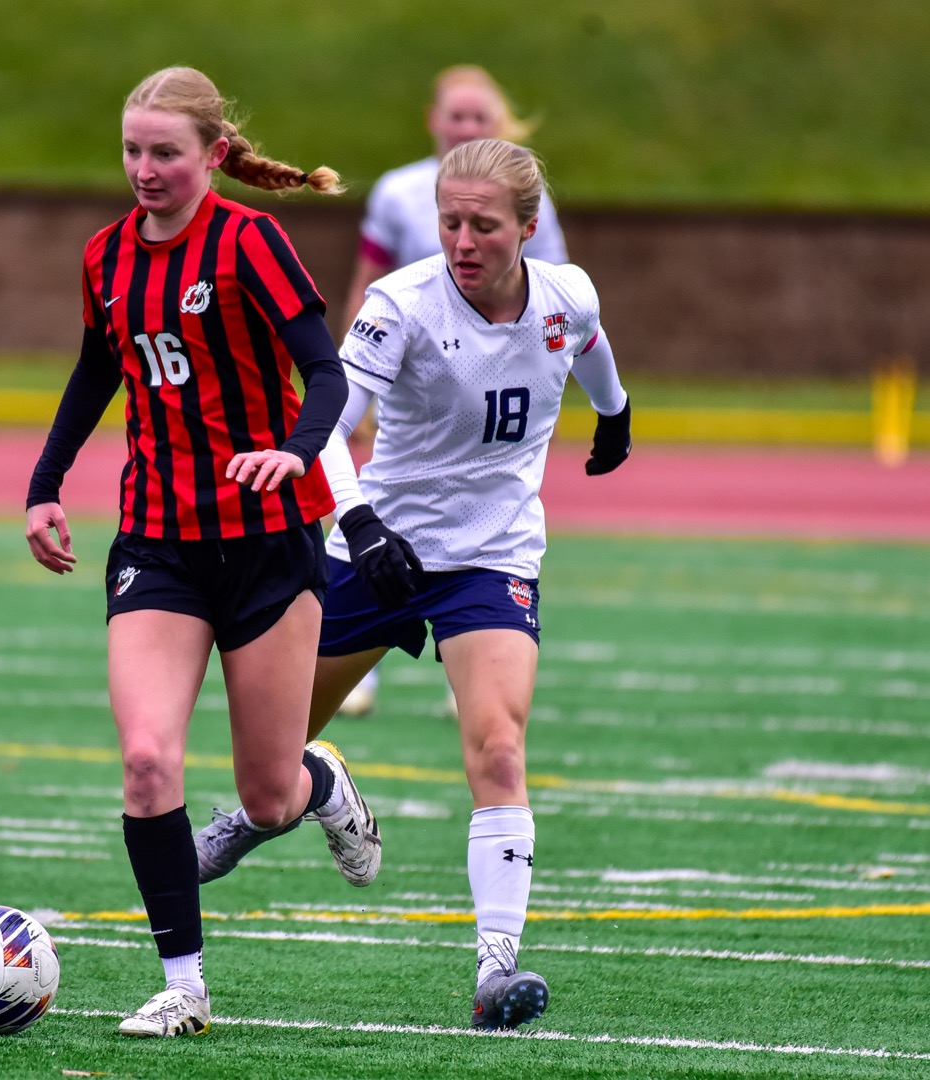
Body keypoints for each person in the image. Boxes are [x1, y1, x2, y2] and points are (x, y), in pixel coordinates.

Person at [196, 138, 634, 1030]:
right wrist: (357, 522)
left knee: (499, 748)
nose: (463, 240)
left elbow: (589, 343)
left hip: (492, 559)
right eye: (450, 222)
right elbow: (325, 423)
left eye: (483, 224)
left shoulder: (566, 292)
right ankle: (311, 789)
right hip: (377, 549)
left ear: (528, 227)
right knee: (266, 765)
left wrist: (616, 413)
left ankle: (495, 970)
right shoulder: (400, 303)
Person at [24, 66, 382, 1040]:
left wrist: (295, 451)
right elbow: (99, 369)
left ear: (214, 155)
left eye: (165, 152)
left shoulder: (250, 243)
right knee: (147, 762)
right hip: (158, 546)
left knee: (267, 794)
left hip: (268, 544)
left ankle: (323, 786)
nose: (145, 169)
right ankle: (184, 984)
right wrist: (45, 485)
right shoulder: (107, 257)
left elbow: (327, 373)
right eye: (133, 150)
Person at [335, 65, 569, 719]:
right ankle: (362, 666)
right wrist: (350, 373)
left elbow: (552, 293)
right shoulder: (397, 192)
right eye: (455, 116)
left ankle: (473, 654)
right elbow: (369, 283)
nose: (465, 127)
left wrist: (604, 404)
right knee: (392, 498)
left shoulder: (529, 199)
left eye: (478, 117)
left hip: (488, 377)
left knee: (481, 504)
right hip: (407, 366)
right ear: (432, 120)